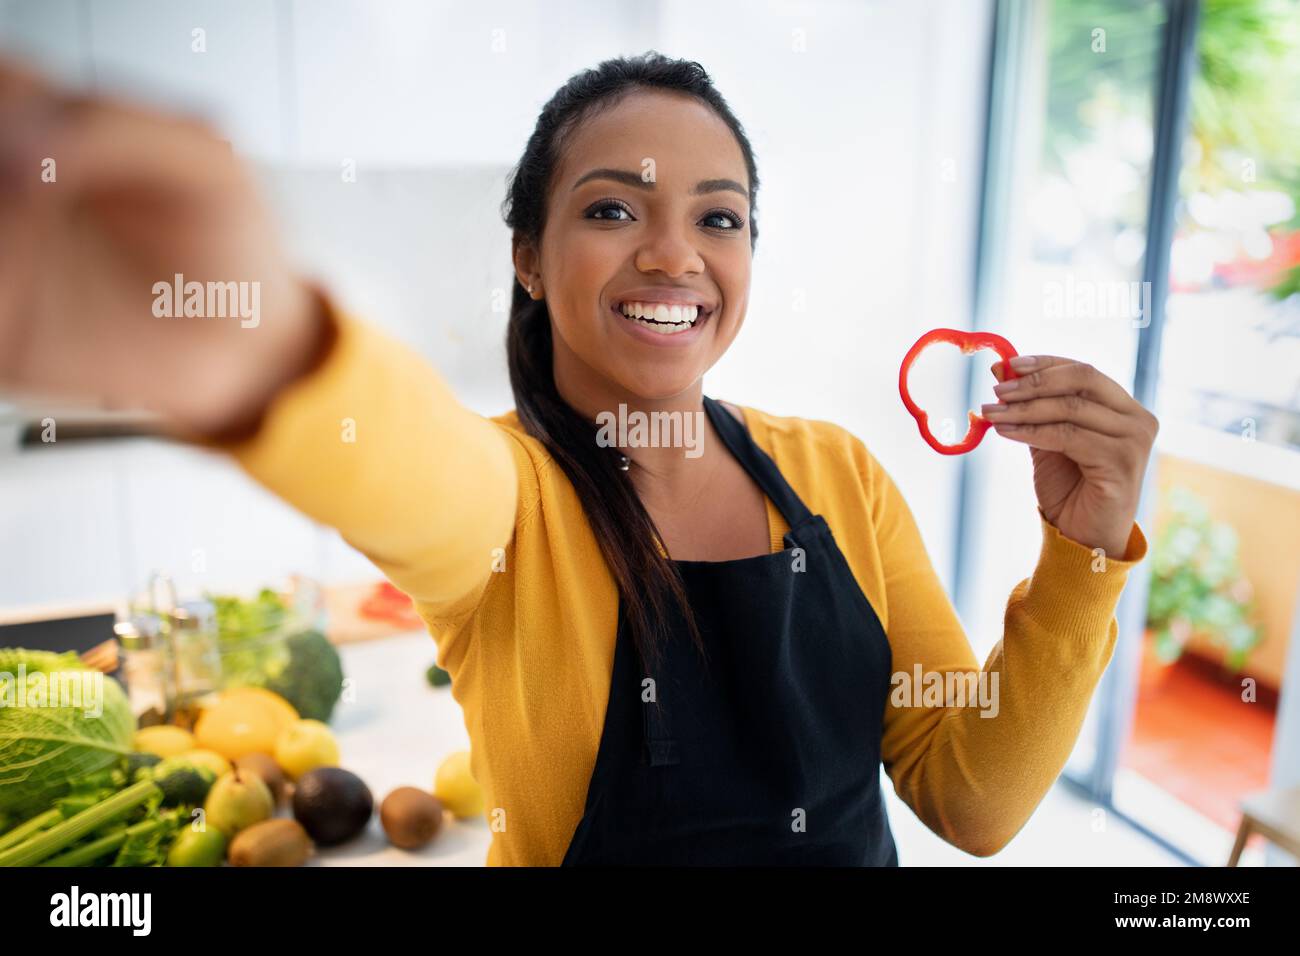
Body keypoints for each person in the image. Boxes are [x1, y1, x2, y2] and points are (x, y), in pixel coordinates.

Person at [0, 52, 1157, 866]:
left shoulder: (839, 474)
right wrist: (271, 351)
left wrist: (1086, 545)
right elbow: (408, 463)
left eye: (719, 217)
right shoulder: (511, 503)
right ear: (530, 259)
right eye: (611, 210)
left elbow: (972, 797)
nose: (674, 254)